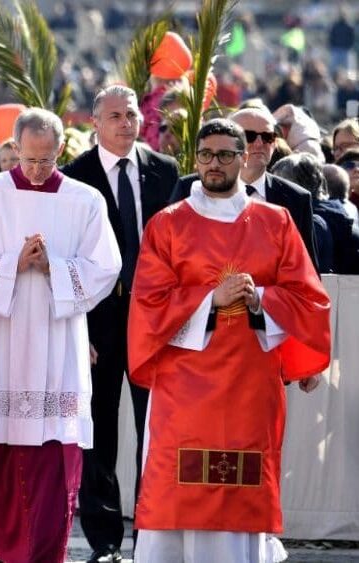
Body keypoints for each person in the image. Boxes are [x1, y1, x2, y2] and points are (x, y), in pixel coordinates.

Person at [128, 118, 331, 563]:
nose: (213, 164)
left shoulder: (275, 222)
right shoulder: (168, 224)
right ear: (194, 159)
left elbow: (309, 296)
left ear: (245, 158)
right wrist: (209, 300)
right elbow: (148, 301)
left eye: (224, 155)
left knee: (240, 498)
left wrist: (258, 298)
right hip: (184, 387)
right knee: (176, 494)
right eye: (205, 155)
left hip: (248, 384)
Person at [0, 107, 122, 563]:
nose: (39, 170)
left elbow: (107, 266)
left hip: (57, 343)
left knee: (53, 460)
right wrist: (13, 264)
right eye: (29, 160)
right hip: (0, 341)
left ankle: (44, 551)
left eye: (47, 160)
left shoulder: (85, 201)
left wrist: (53, 268)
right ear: (14, 149)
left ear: (61, 150)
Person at [60, 85, 180, 563]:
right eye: (115, 115)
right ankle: (105, 540)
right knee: (100, 434)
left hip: (154, 323)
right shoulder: (76, 176)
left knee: (154, 429)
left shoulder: (165, 170)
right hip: (99, 327)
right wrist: (80, 329)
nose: (126, 123)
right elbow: (68, 258)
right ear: (95, 121)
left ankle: (150, 532)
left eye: (131, 114)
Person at [170, 107, 318, 270]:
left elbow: (307, 274)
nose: (259, 143)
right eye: (249, 136)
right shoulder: (189, 189)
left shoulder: (296, 199)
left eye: (267, 137)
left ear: (275, 143)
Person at [273, 154, 359, 275]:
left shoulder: (311, 224)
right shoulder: (341, 219)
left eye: (278, 185)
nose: (273, 192)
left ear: (294, 188)